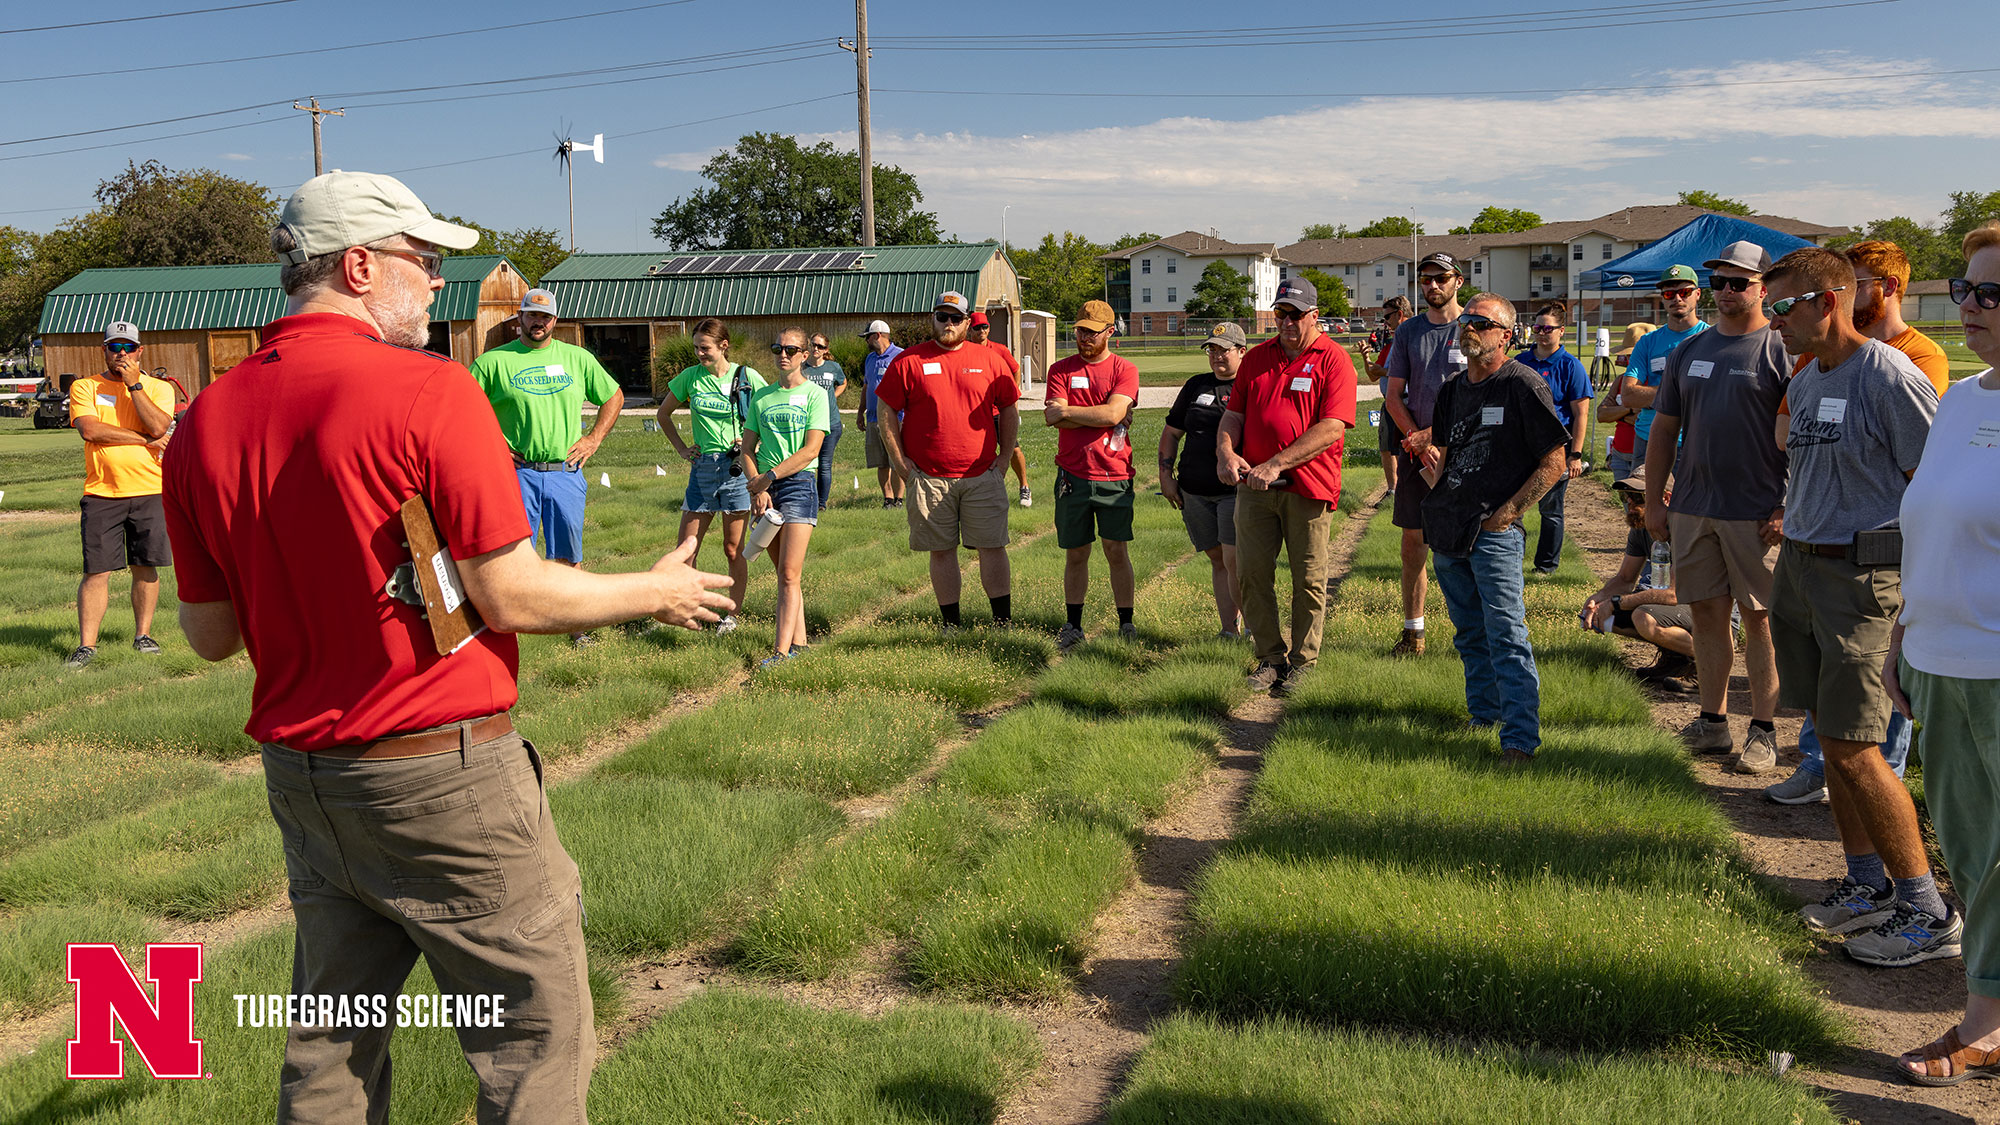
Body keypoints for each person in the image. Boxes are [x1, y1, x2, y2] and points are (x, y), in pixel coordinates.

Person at [160, 170, 733, 1123]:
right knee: (534, 1042)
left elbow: (209, 635)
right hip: (443, 774)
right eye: (423, 263)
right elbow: (510, 593)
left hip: (307, 781)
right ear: (356, 266)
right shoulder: (431, 390)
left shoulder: (204, 421)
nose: (439, 285)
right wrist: (657, 588)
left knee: (330, 1051)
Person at [1758, 246, 1950, 967]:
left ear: (1827, 301)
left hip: (1862, 584)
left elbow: (1931, 492)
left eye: (1783, 306)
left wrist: (1910, 590)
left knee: (1858, 747)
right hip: (1804, 570)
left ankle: (1926, 907)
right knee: (1829, 737)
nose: (1774, 319)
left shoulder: (1891, 376)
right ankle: (1867, 885)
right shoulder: (1809, 379)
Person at [1885, 220, 2000, 1084]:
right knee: (1970, 850)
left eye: (1991, 294)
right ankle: (1990, 1016)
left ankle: (1983, 1023)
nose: (1971, 306)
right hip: (1938, 661)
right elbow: (1928, 521)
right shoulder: (1964, 396)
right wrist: (1902, 632)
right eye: (1965, 288)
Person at [1644, 241, 1788, 774]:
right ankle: (1713, 723)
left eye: (1740, 282)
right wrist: (1659, 499)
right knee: (1706, 614)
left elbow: (1802, 437)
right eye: (1721, 282)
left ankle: (1765, 731)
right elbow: (1664, 429)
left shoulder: (1782, 349)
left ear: (1762, 288)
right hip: (1693, 507)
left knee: (1760, 620)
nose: (1727, 291)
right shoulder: (1689, 351)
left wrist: (1784, 504)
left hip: (1756, 514)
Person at [1410, 296, 1569, 764]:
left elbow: (1554, 462)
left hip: (1494, 535)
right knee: (1469, 633)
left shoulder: (1522, 384)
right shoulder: (1453, 390)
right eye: (1467, 321)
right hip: (1450, 530)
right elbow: (1446, 455)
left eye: (1482, 323)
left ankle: (1520, 739)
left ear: (1506, 335)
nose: (1470, 329)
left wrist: (1511, 512)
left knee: (1506, 634)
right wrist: (1436, 495)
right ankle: (1484, 715)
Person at [1216, 277, 1357, 696]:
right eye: (1280, 314)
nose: (1286, 322)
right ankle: (1270, 659)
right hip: (1255, 489)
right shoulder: (1258, 359)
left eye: (1295, 315)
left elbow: (1332, 427)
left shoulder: (1334, 360)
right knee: (1251, 574)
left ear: (1314, 316)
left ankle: (1304, 663)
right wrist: (1226, 452)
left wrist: (1275, 462)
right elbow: (1233, 417)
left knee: (1309, 579)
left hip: (1307, 486)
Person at [468, 288, 624, 647]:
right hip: (514, 474)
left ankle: (576, 627)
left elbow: (613, 396)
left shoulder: (576, 358)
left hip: (564, 472)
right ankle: (509, 629)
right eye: (531, 315)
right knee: (509, 554)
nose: (538, 322)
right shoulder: (493, 362)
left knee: (568, 555)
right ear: (519, 318)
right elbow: (464, 410)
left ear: (555, 321)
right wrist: (492, 447)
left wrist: (593, 439)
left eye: (545, 317)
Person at [875, 291, 1020, 629]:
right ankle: (951, 625)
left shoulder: (990, 359)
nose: (949, 324)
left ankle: (1002, 622)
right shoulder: (909, 361)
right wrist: (900, 463)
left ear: (968, 322)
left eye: (957, 318)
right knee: (941, 551)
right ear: (933, 319)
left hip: (982, 473)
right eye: (943, 316)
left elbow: (1010, 409)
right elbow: (885, 410)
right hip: (928, 477)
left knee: (993, 547)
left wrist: (1004, 459)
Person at [66, 320, 175, 668]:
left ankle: (143, 635)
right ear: (105, 350)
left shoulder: (158, 388)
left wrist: (134, 384)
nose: (122, 354)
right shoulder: (85, 386)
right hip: (102, 492)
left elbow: (160, 425)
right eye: (115, 347)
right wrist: (144, 440)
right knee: (96, 571)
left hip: (150, 491)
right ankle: (87, 646)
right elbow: (90, 429)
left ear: (140, 351)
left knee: (145, 566)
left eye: (129, 347)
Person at [658, 317, 766, 635]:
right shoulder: (690, 377)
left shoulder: (747, 377)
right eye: (696, 348)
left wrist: (750, 442)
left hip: (735, 470)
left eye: (704, 348)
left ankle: (731, 615)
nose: (700, 355)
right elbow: (662, 414)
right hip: (703, 468)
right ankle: (689, 611)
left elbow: (765, 416)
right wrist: (681, 449)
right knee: (686, 547)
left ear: (723, 346)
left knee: (733, 548)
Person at [1383, 252, 1467, 656]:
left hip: (1468, 453)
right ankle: (1413, 632)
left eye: (1441, 278)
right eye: (1426, 279)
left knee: (1470, 545)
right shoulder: (1408, 332)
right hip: (1418, 455)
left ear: (1458, 282)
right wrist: (1417, 437)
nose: (1432, 286)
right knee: (1413, 544)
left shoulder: (1475, 327)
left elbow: (1481, 397)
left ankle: (1473, 631)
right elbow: (1393, 394)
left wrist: (1436, 436)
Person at [1045, 299, 1140, 649]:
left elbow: (1114, 414)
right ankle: (1073, 625)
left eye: (1091, 332)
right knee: (1076, 553)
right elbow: (1052, 417)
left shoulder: (1124, 370)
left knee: (1116, 549)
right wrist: (1101, 414)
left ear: (1110, 332)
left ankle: (1126, 622)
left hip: (1114, 475)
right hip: (1073, 474)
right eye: (1080, 331)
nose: (1084, 338)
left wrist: (1071, 411)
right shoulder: (1060, 369)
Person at [743, 328, 829, 667]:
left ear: (805, 355)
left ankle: (780, 653)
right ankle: (801, 644)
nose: (783, 354)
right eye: (778, 347)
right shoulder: (762, 397)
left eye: (791, 349)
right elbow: (747, 449)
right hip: (766, 491)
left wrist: (770, 477)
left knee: (791, 574)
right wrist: (757, 486)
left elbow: (811, 450)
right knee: (784, 573)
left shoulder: (815, 395)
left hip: (798, 485)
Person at [1162, 322, 1247, 638]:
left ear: (1241, 351)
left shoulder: (1250, 386)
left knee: (1233, 558)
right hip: (1194, 491)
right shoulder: (1196, 385)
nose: (1216, 356)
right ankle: (1229, 629)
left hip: (1233, 491)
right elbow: (1172, 432)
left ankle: (1255, 628)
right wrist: (1166, 475)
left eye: (1223, 349)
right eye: (1212, 349)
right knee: (1217, 559)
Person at [1582, 467, 1696, 689]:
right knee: (1602, 617)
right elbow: (1625, 579)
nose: (1630, 504)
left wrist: (1616, 602)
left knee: (1644, 617)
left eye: (1637, 497)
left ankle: (1710, 661)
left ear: (1666, 498)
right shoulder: (1642, 528)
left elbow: (1673, 594)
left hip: (1710, 613)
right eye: (1626, 497)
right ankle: (1676, 659)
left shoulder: (1685, 528)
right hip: (1678, 606)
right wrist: (1598, 598)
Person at [1514, 300, 1593, 574]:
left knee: (1550, 511)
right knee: (1514, 506)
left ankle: (1545, 567)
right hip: (1521, 446)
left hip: (1556, 448)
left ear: (1562, 331)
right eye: (1537, 327)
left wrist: (1576, 455)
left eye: (1548, 328)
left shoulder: (1571, 366)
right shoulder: (1520, 362)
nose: (1542, 332)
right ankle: (1511, 561)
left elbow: (1581, 414)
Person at [1620, 265, 1709, 482]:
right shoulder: (1647, 342)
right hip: (1647, 439)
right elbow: (1629, 396)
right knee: (1645, 512)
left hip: (1694, 441)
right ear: (1662, 298)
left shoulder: (1711, 340)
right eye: (1669, 293)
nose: (1677, 298)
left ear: (1698, 294)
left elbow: (1712, 396)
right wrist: (1682, 391)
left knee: (1690, 512)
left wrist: (1652, 396)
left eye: (1684, 292)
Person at [969, 311, 1032, 508]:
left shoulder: (999, 350)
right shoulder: (964, 350)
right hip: (975, 413)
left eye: (985, 327)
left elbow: (1015, 369)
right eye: (977, 327)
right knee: (976, 452)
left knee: (1013, 448)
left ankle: (1024, 487)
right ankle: (980, 491)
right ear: (970, 329)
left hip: (998, 412)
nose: (982, 331)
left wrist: (1014, 395)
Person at [1359, 295, 1412, 494]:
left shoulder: (1413, 340)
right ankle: (1393, 491)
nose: (1385, 322)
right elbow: (1374, 375)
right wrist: (1366, 359)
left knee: (1410, 448)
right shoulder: (1391, 344)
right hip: (1389, 402)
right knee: (1387, 448)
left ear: (1400, 314)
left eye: (1387, 317)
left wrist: (1384, 371)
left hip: (1408, 402)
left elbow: (1412, 372)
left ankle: (1410, 490)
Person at [857, 319, 906, 508]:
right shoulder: (870, 359)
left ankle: (899, 499)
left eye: (867, 337)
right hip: (872, 418)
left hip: (896, 418)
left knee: (896, 461)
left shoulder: (900, 356)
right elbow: (866, 386)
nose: (866, 341)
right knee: (881, 462)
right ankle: (887, 499)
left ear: (877, 335)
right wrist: (861, 411)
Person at [1598, 322, 1654, 483]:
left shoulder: (1656, 382)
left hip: (1646, 456)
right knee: (1628, 505)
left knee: (1644, 505)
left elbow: (1646, 421)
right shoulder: (1622, 380)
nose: (1630, 360)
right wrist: (1629, 409)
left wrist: (1618, 413)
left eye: (1633, 355)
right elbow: (1602, 414)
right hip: (1620, 455)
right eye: (1628, 356)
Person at [799, 331, 846, 510]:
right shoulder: (802, 367)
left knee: (824, 465)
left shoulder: (833, 367)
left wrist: (833, 396)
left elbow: (842, 382)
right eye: (814, 345)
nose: (816, 349)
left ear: (826, 349)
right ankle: (805, 498)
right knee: (807, 462)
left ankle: (821, 504)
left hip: (830, 423)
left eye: (821, 346)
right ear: (809, 346)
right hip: (807, 423)